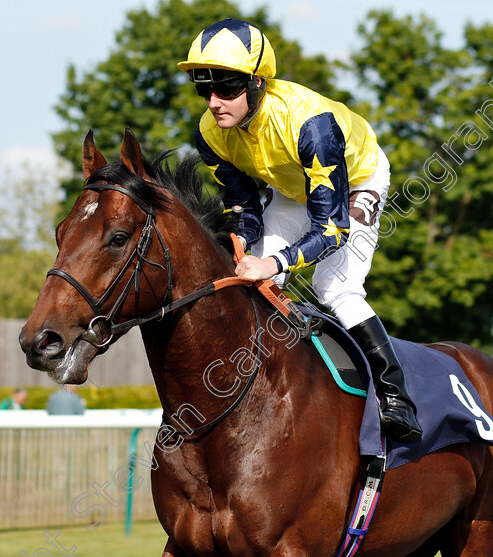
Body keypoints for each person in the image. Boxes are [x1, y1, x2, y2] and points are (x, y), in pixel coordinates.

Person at [178, 18, 421, 442]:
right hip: (292, 186)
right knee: (248, 276)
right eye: (205, 88)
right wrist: (240, 240)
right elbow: (243, 206)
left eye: (227, 87)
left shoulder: (313, 124)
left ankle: (396, 395)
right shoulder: (209, 133)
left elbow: (331, 231)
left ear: (257, 83)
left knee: (334, 288)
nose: (214, 102)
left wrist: (273, 261)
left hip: (355, 179)